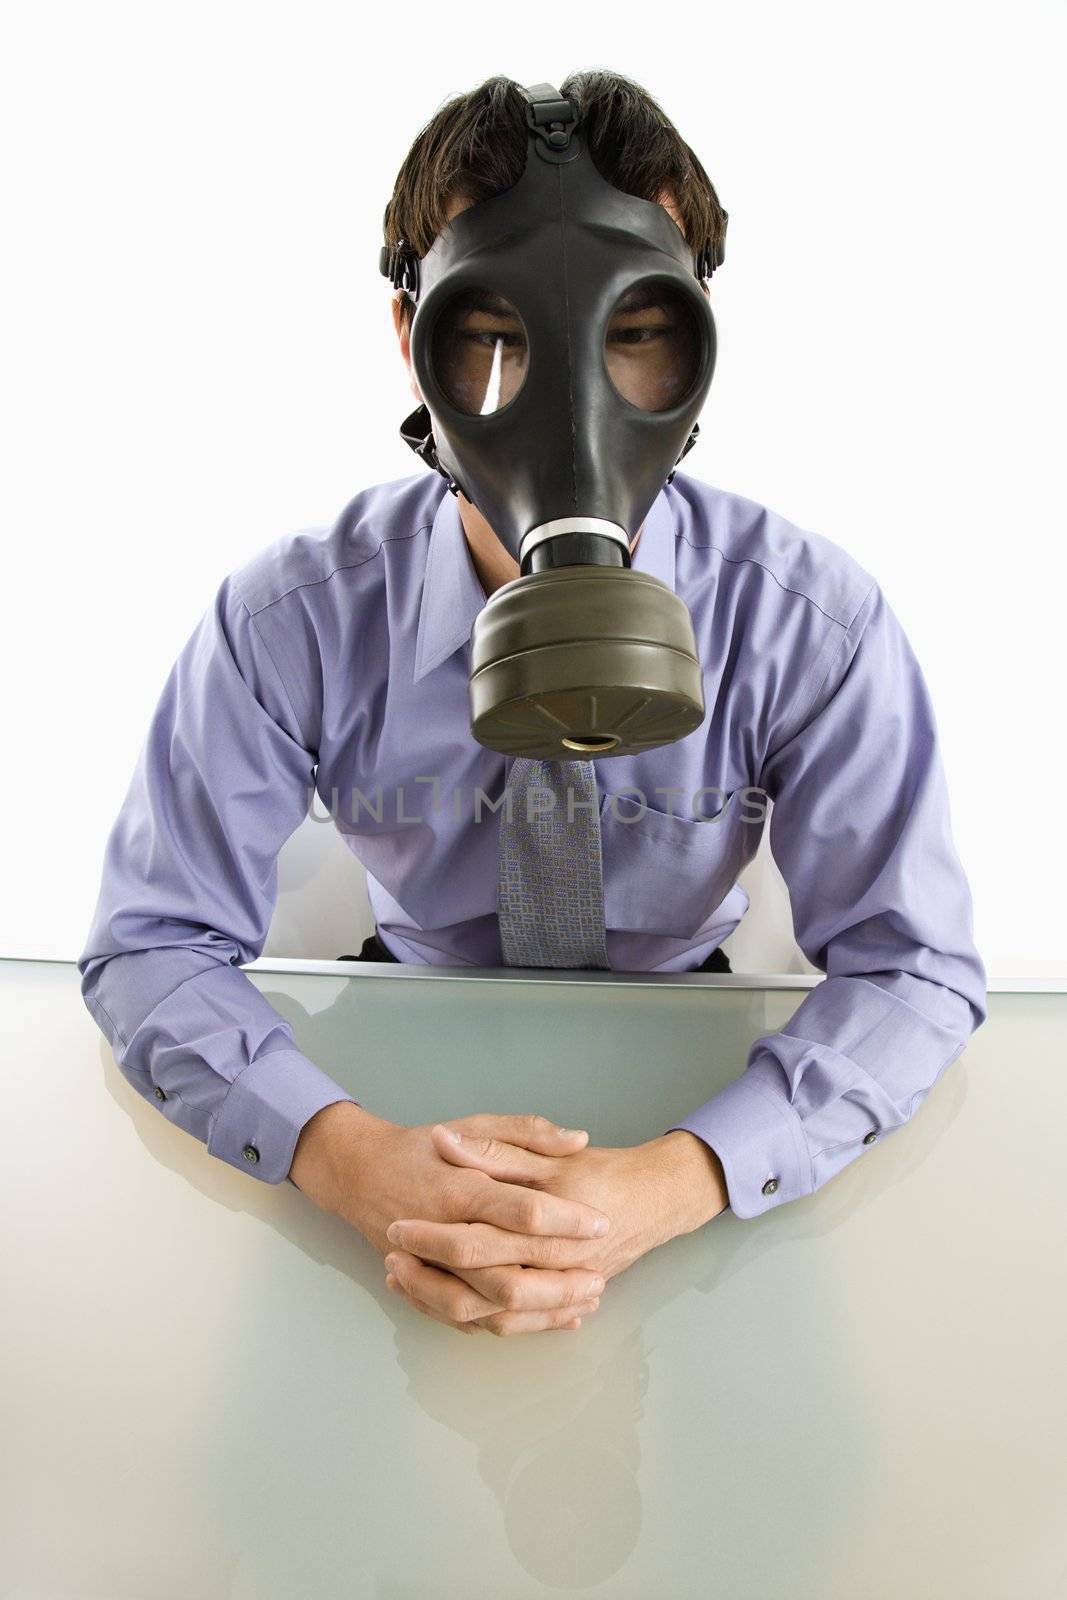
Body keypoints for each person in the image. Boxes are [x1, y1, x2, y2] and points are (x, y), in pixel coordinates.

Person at [77, 71, 987, 1339]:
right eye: (493, 332)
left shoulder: (804, 623)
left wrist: (679, 1179)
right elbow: (151, 941)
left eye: (632, 332)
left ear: (696, 345)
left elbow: (914, 964)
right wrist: (348, 1160)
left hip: (687, 1046)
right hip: (403, 1037)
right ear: (409, 343)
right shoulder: (291, 619)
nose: (568, 400)